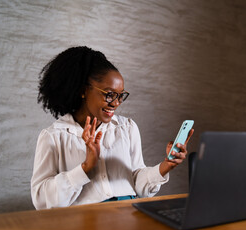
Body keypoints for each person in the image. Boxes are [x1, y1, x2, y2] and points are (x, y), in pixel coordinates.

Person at [31, 46, 194, 210]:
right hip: (85, 224)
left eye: (120, 95)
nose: (116, 103)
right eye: (109, 94)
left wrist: (166, 166)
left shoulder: (127, 128)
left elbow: (136, 183)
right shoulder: (53, 137)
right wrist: (85, 168)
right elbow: (41, 201)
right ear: (83, 91)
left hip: (130, 216)